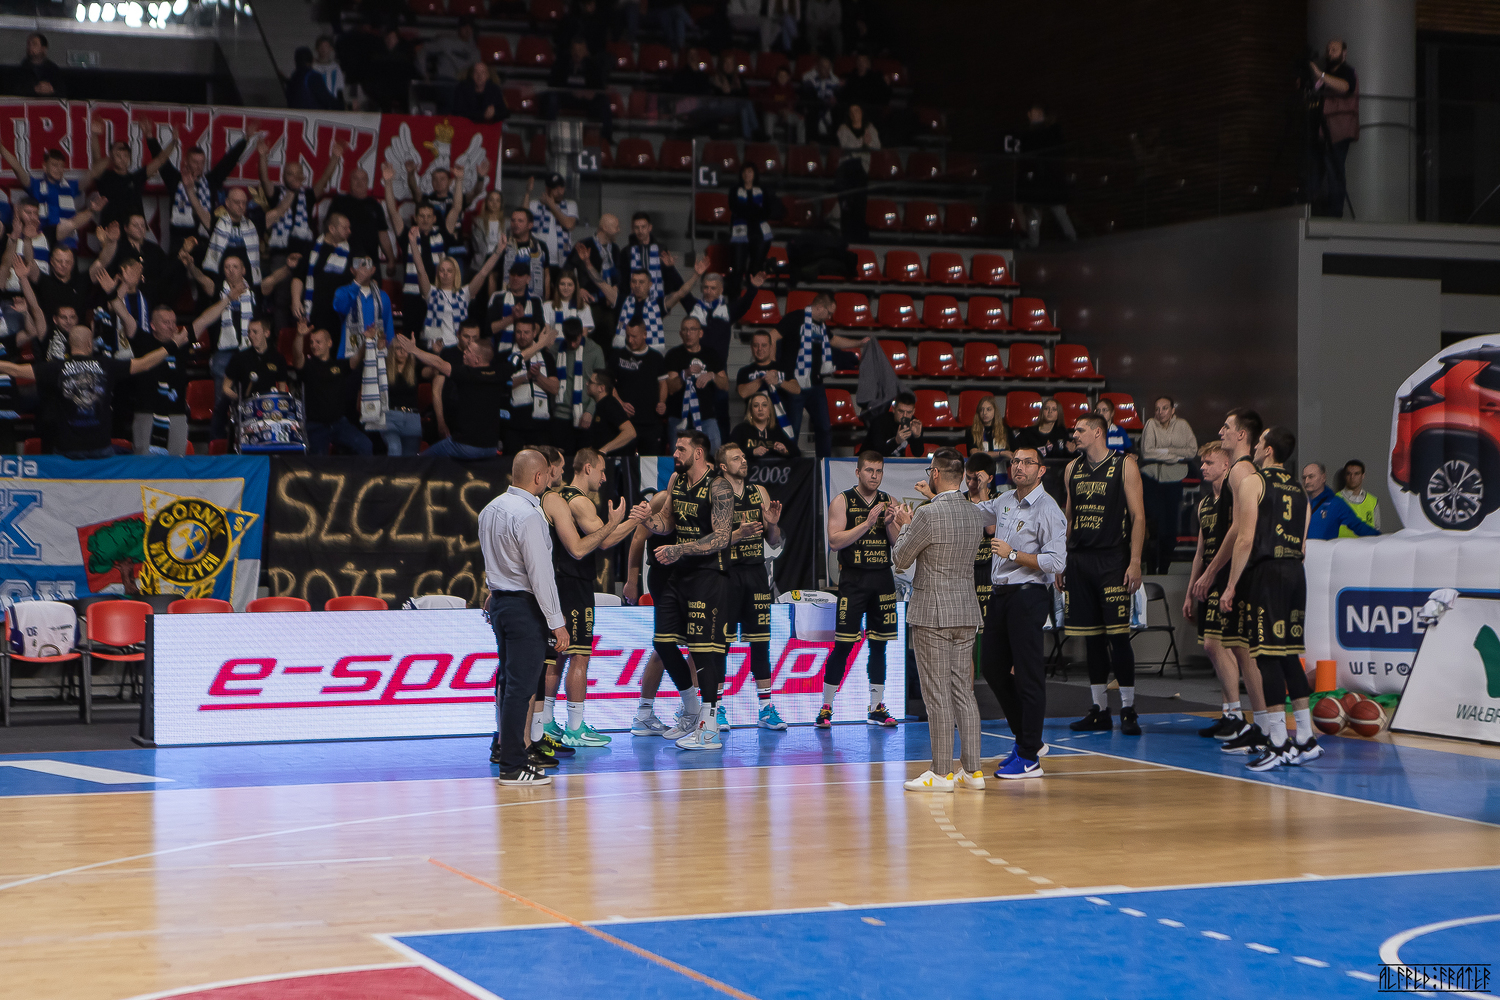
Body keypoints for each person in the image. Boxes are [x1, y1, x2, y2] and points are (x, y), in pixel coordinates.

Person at [892, 448, 990, 791]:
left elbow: (901, 559)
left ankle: (941, 772)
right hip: (966, 610)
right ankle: (974, 771)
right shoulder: (974, 513)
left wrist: (905, 526)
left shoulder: (926, 514)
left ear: (935, 473)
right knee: (963, 691)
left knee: (937, 694)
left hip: (933, 614)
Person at [1220, 427, 1318, 770]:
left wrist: (1231, 585)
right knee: (1289, 654)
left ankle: (1277, 742)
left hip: (1269, 573)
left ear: (1269, 450)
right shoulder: (1301, 490)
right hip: (1295, 573)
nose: (1256, 447)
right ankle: (1305, 738)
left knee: (1267, 657)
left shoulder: (1254, 482)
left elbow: (1245, 539)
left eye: (1260, 443)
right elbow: (1302, 544)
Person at [973, 446, 1068, 777]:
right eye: (1015, 461)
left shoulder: (1048, 509)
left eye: (1028, 462)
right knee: (992, 667)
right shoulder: (1004, 500)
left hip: (1028, 596)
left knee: (1028, 675)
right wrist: (940, 496)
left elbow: (1056, 562)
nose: (1019, 467)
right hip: (1000, 595)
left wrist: (1013, 554)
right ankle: (1030, 740)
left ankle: (1029, 757)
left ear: (1041, 470)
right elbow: (976, 514)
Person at [479, 449, 571, 785]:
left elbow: (494, 563)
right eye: (547, 475)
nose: (549, 479)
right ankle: (513, 765)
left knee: (508, 683)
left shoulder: (489, 510)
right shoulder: (529, 515)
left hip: (500, 604)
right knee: (520, 687)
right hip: (523, 608)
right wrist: (557, 622)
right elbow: (540, 574)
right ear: (538, 477)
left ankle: (507, 755)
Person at [639, 429, 734, 750]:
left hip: (709, 575)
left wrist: (680, 549)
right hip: (679, 575)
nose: (675, 454)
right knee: (663, 642)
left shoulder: (719, 486)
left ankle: (709, 728)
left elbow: (721, 536)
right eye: (675, 448)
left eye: (680, 449)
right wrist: (649, 521)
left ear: (698, 453)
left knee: (703, 649)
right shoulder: (676, 481)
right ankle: (692, 711)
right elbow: (668, 521)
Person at [538, 448, 637, 746]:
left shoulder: (556, 498)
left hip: (559, 583)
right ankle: (575, 727)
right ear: (588, 468)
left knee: (556, 656)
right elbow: (604, 540)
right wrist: (633, 520)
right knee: (579, 655)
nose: (604, 477)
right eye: (602, 470)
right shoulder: (577, 500)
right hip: (574, 584)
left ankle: (546, 722)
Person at [1189, 408, 1272, 755]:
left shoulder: (1242, 471)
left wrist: (1218, 576)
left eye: (1227, 426)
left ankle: (1264, 727)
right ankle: (1256, 724)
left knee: (1246, 651)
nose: (1221, 430)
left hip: (1244, 571)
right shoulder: (1237, 476)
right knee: (1235, 648)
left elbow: (1241, 531)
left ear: (1242, 435)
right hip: (1236, 570)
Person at [1063, 413, 1147, 735]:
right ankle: (1099, 709)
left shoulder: (1125, 465)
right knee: (1092, 639)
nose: (1075, 434)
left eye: (1080, 429)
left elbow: (1138, 517)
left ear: (1098, 432)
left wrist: (1135, 561)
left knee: (1118, 637)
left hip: (1113, 559)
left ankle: (1128, 708)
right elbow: (1069, 518)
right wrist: (1062, 560)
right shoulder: (1072, 468)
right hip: (1080, 560)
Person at [0, 325, 168, 460]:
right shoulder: (107, 365)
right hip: (100, 448)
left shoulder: (56, 368)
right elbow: (145, 363)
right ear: (89, 343)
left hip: (67, 450)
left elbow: (15, 370)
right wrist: (173, 344)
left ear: (69, 344)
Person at [823, 451, 901, 728]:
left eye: (878, 471)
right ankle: (826, 707)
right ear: (858, 472)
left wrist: (889, 525)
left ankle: (876, 707)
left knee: (879, 645)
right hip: (853, 581)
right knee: (843, 645)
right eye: (869, 470)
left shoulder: (890, 502)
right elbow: (834, 541)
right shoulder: (842, 500)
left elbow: (898, 545)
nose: (874, 476)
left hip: (882, 580)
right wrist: (867, 524)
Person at [717, 441, 788, 731]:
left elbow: (773, 541)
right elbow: (711, 540)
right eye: (736, 458)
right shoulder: (716, 494)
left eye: (744, 457)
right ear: (723, 466)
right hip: (726, 574)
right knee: (719, 644)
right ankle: (716, 708)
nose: (743, 461)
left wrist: (773, 524)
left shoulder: (759, 492)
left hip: (756, 573)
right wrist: (738, 533)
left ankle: (766, 708)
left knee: (760, 642)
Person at [1182, 442, 1247, 741]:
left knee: (1218, 646)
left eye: (1209, 462)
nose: (1203, 467)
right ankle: (1229, 714)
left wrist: (1220, 578)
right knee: (1218, 648)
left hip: (1228, 576)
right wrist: (1189, 592)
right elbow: (1199, 551)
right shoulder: (1205, 503)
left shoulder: (1236, 498)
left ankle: (1236, 714)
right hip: (1209, 578)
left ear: (1226, 465)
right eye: (1202, 462)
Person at [773, 291, 866, 458]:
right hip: (794, 384)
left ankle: (824, 464)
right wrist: (772, 365)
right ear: (820, 306)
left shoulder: (822, 327)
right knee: (792, 430)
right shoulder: (795, 318)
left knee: (824, 428)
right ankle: (789, 466)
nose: (830, 317)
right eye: (829, 313)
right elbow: (772, 337)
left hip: (815, 385)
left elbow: (834, 340)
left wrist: (859, 343)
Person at [401, 331, 510, 459]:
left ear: (477, 359)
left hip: (465, 446)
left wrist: (414, 350)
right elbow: (520, 357)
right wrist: (535, 346)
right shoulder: (500, 372)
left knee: (419, 460)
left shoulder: (466, 374)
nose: (464, 352)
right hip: (491, 448)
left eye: (469, 351)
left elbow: (439, 363)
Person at [290, 322, 374, 456]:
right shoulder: (308, 366)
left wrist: (367, 340)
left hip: (339, 423)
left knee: (366, 445)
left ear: (329, 343)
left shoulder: (339, 365)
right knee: (318, 461)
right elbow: (297, 356)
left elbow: (357, 357)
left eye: (318, 342)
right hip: (316, 426)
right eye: (311, 342)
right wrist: (299, 335)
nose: (314, 345)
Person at [1139, 396, 1198, 574]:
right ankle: (1151, 568)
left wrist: (1164, 451)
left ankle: (1164, 567)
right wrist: (1174, 456)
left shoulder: (1183, 425)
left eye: (1164, 408)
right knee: (1154, 524)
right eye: (1157, 409)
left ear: (1173, 410)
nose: (1160, 412)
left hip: (1174, 479)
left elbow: (1192, 451)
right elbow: (1147, 453)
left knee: (1170, 527)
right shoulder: (1150, 424)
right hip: (1151, 479)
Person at [411, 236, 501, 351]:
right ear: (438, 273)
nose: (445, 274)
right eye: (442, 270)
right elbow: (420, 270)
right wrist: (413, 243)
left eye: (449, 271)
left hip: (458, 347)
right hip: (435, 347)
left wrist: (498, 251)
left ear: (455, 273)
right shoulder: (431, 292)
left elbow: (483, 273)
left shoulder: (464, 293)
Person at [129, 304, 193, 456]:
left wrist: (228, 298)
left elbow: (203, 321)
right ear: (153, 326)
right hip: (147, 414)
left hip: (176, 415)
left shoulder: (182, 345)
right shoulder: (143, 342)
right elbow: (125, 318)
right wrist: (114, 294)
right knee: (145, 464)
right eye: (166, 322)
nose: (172, 327)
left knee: (176, 465)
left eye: (173, 322)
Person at [88, 117, 175, 227]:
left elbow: (160, 160)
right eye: (118, 155)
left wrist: (174, 142)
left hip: (135, 231)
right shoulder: (105, 177)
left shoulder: (136, 177)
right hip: (110, 231)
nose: (122, 159)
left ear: (129, 157)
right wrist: (94, 135)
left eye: (125, 155)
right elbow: (97, 160)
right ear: (111, 158)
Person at [663, 316, 729, 453]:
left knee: (714, 455)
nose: (688, 333)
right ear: (680, 334)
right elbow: (671, 388)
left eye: (693, 329)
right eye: (685, 330)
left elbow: (725, 385)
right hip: (679, 417)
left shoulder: (711, 354)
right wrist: (685, 374)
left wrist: (712, 375)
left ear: (700, 333)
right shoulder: (674, 355)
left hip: (706, 416)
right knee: (679, 458)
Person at [1017, 105, 1077, 246]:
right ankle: (1037, 241)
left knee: (1050, 210)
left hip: (1045, 179)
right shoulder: (1044, 134)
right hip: (1043, 180)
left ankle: (1069, 236)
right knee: (1041, 212)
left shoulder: (1046, 134)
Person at [292, 213, 355, 344]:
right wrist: (296, 300)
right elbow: (298, 277)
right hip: (315, 312)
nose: (349, 231)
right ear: (332, 229)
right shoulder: (312, 248)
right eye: (345, 228)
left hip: (339, 315)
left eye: (349, 228)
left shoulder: (352, 251)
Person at [1313, 39, 1358, 218]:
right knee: (1321, 170)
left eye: (1334, 49)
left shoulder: (1347, 71)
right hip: (1324, 130)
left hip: (1340, 129)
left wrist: (1321, 75)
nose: (1330, 52)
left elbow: (1346, 87)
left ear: (1344, 53)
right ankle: (1317, 209)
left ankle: (1335, 214)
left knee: (1335, 170)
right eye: (1328, 49)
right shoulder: (1327, 72)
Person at [0, 145, 78, 249]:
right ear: (45, 167)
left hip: (67, 243)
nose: (59, 169)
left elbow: (93, 173)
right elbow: (17, 168)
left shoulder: (71, 186)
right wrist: (1, 148)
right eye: (54, 165)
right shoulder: (36, 185)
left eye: (61, 166)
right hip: (42, 239)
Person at [550, 316, 607, 453]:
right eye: (569, 340)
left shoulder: (595, 350)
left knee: (584, 460)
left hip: (585, 415)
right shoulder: (555, 349)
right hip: (560, 415)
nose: (573, 344)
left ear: (581, 334)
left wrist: (590, 411)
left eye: (576, 340)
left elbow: (601, 386)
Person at [609, 320, 667, 455]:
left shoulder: (656, 357)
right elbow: (609, 385)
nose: (630, 340)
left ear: (644, 335)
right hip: (625, 423)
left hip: (650, 422)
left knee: (650, 462)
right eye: (628, 336)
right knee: (624, 462)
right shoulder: (617, 356)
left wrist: (662, 402)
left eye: (634, 336)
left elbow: (663, 383)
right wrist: (620, 403)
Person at [611, 264, 699, 352]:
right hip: (625, 353)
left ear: (649, 284)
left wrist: (696, 275)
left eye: (641, 282)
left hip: (650, 354)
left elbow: (681, 293)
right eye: (634, 282)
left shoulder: (658, 304)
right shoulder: (623, 301)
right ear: (630, 284)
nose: (637, 285)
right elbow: (604, 287)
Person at [326, 159, 394, 264]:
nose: (359, 182)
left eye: (363, 179)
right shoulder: (339, 202)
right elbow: (328, 230)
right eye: (355, 179)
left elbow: (383, 234)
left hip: (370, 261)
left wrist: (391, 259)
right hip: (342, 259)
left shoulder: (375, 206)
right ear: (349, 181)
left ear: (367, 182)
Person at [544, 38, 614, 138]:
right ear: (571, 50)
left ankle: (606, 137)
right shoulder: (562, 63)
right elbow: (552, 83)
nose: (577, 54)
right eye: (575, 50)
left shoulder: (592, 65)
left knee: (603, 101)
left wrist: (592, 92)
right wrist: (571, 91)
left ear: (585, 51)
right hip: (566, 97)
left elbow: (599, 86)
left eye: (580, 50)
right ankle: (548, 135)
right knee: (552, 98)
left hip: (585, 100)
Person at [222, 317, 290, 415]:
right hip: (247, 410)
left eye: (255, 332)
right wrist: (239, 399)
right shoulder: (239, 357)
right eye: (249, 332)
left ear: (267, 333)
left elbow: (282, 388)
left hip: (270, 408)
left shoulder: (278, 358)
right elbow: (226, 387)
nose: (251, 335)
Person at [1013, 396, 1075, 503]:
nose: (1050, 412)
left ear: (1058, 413)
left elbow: (1066, 457)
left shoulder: (1062, 433)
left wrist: (1071, 451)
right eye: (1046, 408)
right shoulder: (1028, 433)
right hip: (1031, 477)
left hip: (1055, 479)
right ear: (1042, 412)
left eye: (1054, 409)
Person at [835, 104, 879, 241]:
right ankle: (846, 235)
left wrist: (867, 143)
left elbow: (877, 145)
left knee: (859, 205)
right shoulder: (843, 128)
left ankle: (859, 236)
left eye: (857, 110)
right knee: (846, 205)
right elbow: (846, 145)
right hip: (846, 170)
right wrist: (862, 142)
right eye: (852, 111)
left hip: (862, 170)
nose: (855, 113)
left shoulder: (869, 128)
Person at [1303, 462, 1379, 540]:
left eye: (1311, 477)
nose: (1306, 481)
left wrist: (1381, 539)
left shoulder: (1335, 503)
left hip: (1348, 544)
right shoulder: (1301, 502)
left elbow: (1358, 526)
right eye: (1304, 478)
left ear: (1323, 478)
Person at [728, 167, 775, 293]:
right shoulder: (735, 190)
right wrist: (755, 210)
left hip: (760, 233)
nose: (747, 174)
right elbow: (735, 208)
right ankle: (734, 298)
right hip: (740, 232)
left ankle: (752, 296)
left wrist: (747, 210)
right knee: (738, 268)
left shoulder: (763, 190)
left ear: (755, 174)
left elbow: (766, 211)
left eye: (749, 172)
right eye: (744, 172)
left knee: (756, 267)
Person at [527, 175, 580, 279]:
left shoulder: (570, 205)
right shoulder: (535, 204)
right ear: (547, 189)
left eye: (561, 187)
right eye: (555, 188)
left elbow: (569, 224)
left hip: (562, 260)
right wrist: (527, 193)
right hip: (538, 258)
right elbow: (522, 218)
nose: (559, 191)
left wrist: (551, 205)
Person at [490, 263, 545, 347]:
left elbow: (537, 328)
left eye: (520, 275)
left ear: (528, 279)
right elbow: (490, 329)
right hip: (501, 350)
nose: (515, 278)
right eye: (512, 274)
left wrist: (521, 319)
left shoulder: (535, 300)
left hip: (527, 350)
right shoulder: (498, 297)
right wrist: (512, 318)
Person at [501, 207, 551, 299]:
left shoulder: (541, 247)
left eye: (520, 221)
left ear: (530, 225)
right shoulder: (503, 246)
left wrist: (546, 300)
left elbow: (546, 275)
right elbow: (493, 275)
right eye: (513, 220)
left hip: (535, 298)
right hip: (507, 299)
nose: (515, 224)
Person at [731, 391, 798, 458]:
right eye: (756, 406)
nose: (760, 409)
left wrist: (785, 451)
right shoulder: (740, 429)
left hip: (772, 464)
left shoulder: (776, 430)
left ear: (769, 410)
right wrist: (752, 452)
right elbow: (729, 453)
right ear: (750, 411)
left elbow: (797, 452)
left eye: (764, 405)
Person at [585, 371, 636, 455]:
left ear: (601, 388)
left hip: (614, 459)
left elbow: (630, 432)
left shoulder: (610, 405)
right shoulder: (601, 405)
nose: (587, 384)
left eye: (590, 382)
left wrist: (603, 450)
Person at [861, 391, 923, 457]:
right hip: (867, 459)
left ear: (913, 411)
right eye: (901, 411)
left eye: (909, 412)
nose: (905, 415)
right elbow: (878, 453)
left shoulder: (915, 425)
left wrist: (917, 437)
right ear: (893, 409)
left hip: (896, 462)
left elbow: (918, 454)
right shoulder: (880, 422)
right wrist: (896, 441)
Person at [542, 269, 594, 344]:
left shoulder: (585, 308)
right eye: (562, 284)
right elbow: (547, 332)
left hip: (575, 346)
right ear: (557, 286)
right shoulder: (547, 306)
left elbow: (584, 334)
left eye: (570, 285)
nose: (566, 288)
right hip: (553, 346)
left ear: (575, 287)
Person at [759, 64, 806, 144]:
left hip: (787, 115)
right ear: (777, 76)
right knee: (768, 116)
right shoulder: (771, 89)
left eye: (784, 76)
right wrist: (779, 110)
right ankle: (769, 142)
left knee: (801, 119)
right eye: (780, 76)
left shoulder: (791, 90)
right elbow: (766, 105)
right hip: (774, 114)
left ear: (788, 77)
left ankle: (800, 144)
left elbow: (793, 104)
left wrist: (789, 111)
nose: (782, 78)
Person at [1338, 459, 1380, 535]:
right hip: (1342, 542)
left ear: (1362, 476)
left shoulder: (1373, 501)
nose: (1352, 477)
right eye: (1349, 474)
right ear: (1345, 476)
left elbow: (1376, 529)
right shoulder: (1335, 499)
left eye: (1356, 474)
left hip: (1366, 542)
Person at [967, 394, 1011, 464]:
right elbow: (974, 453)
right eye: (981, 410)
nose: (984, 413)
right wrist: (1000, 453)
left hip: (1002, 469)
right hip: (981, 468)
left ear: (995, 411)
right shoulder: (972, 430)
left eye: (988, 409)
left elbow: (1012, 453)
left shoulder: (1005, 429)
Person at [17, 32, 64, 97]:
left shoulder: (53, 69)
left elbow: (62, 91)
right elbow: (17, 90)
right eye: (29, 44)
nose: (30, 47)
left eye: (34, 44)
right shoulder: (22, 69)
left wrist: (51, 91)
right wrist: (34, 90)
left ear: (43, 48)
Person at [311, 35, 346, 106]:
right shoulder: (313, 67)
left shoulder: (335, 68)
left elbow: (339, 89)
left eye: (326, 46)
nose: (323, 49)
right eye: (321, 46)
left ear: (331, 48)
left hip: (331, 105)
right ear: (317, 48)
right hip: (316, 104)